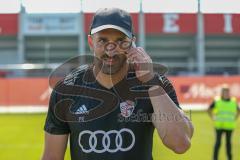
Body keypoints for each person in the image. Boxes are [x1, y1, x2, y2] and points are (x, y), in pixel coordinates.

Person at [42, 8, 194, 160]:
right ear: (91, 42)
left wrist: (152, 83)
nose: (111, 50)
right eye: (102, 40)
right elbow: (51, 156)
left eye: (121, 41)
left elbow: (180, 144)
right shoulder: (66, 90)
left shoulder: (156, 85)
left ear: (132, 44)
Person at [208, 85, 240, 160]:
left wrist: (235, 118)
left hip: (229, 126)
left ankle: (229, 158)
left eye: (227, 92)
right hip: (219, 125)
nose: (226, 94)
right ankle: (215, 158)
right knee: (218, 143)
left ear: (229, 93)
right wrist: (213, 117)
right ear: (222, 93)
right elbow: (209, 109)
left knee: (228, 144)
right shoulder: (217, 101)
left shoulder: (233, 101)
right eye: (224, 92)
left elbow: (238, 111)